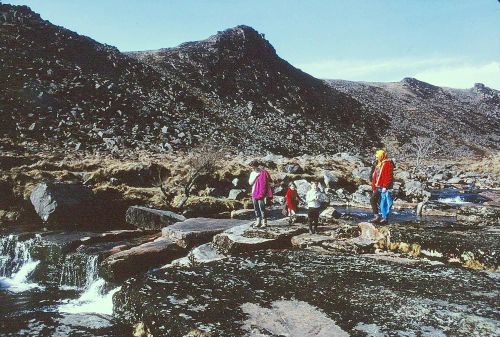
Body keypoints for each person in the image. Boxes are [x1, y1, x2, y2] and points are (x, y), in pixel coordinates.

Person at [370, 149, 394, 225]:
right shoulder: (378, 164)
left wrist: (385, 186)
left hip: (383, 187)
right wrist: (373, 187)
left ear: (381, 156)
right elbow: (374, 176)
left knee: (383, 203)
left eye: (378, 156)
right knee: (376, 201)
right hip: (378, 186)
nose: (377, 158)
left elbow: (388, 176)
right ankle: (378, 217)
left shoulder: (387, 163)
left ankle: (384, 218)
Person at [249, 160, 273, 227]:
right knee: (256, 208)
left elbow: (268, 182)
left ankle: (264, 223)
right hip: (254, 192)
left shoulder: (263, 173)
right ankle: (258, 222)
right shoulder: (252, 173)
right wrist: (255, 178)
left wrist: (267, 193)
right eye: (252, 167)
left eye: (253, 167)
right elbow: (250, 183)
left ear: (257, 166)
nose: (252, 168)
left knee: (262, 208)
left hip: (262, 193)